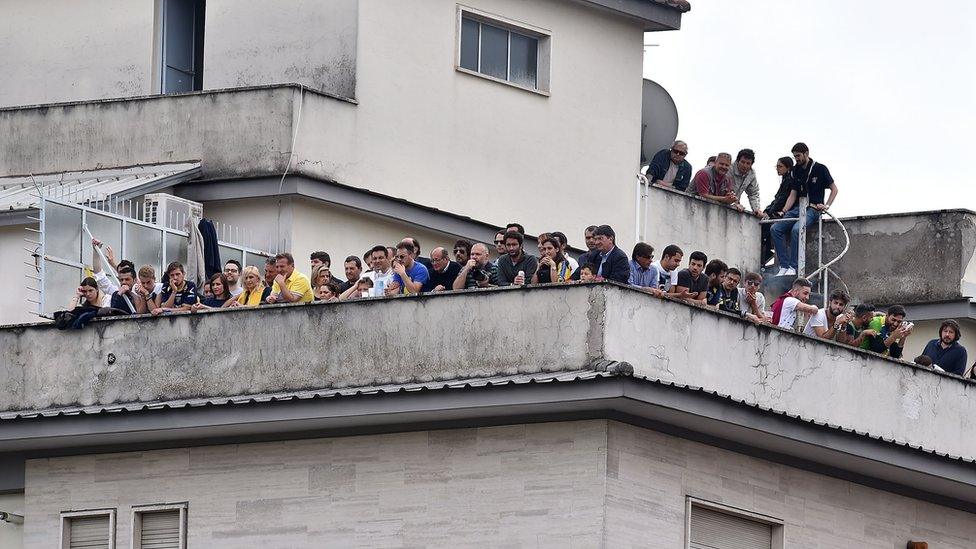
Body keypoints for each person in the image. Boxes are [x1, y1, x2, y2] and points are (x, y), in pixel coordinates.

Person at [770, 142, 839, 276]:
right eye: (794, 156)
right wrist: (784, 211)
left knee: (797, 229)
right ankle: (783, 266)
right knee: (775, 228)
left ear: (806, 153)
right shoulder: (795, 171)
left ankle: (793, 267)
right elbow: (793, 194)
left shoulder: (820, 168)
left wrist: (826, 206)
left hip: (813, 209)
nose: (796, 159)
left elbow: (834, 189)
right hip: (798, 208)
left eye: (798, 156)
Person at [760, 157, 796, 266]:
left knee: (766, 229)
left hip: (785, 212)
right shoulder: (785, 179)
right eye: (777, 166)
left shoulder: (789, 180)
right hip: (779, 211)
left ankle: (766, 256)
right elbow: (777, 198)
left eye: (780, 166)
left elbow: (782, 199)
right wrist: (767, 210)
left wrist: (769, 212)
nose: (777, 169)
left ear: (788, 167)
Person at [730, 149, 762, 216]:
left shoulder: (751, 174)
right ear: (737, 161)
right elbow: (723, 188)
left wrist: (756, 209)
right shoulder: (729, 168)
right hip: (719, 201)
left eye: (748, 163)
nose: (745, 165)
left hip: (735, 206)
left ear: (751, 164)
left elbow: (753, 193)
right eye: (742, 162)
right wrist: (733, 203)